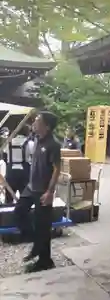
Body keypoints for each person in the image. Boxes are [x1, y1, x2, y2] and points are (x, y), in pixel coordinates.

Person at [14, 111, 61, 273]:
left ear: (47, 126)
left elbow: (57, 169)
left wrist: (50, 192)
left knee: (43, 226)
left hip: (43, 191)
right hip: (30, 187)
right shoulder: (37, 139)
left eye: (38, 120)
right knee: (19, 211)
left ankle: (45, 261)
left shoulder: (53, 144)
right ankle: (37, 243)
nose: (34, 122)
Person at [3, 127, 31, 204]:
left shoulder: (8, 143)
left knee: (8, 198)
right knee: (25, 199)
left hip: (11, 173)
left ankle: (8, 214)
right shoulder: (29, 143)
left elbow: (5, 155)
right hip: (24, 173)